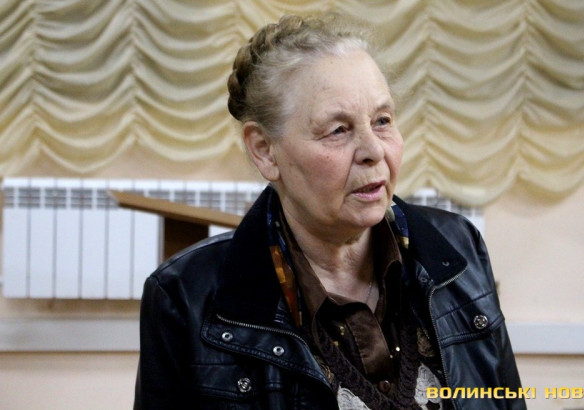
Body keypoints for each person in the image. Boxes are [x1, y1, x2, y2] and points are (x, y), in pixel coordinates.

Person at [134, 13, 525, 410]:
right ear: (265, 150)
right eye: (338, 130)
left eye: (382, 121)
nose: (374, 151)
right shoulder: (185, 296)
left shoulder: (457, 249)